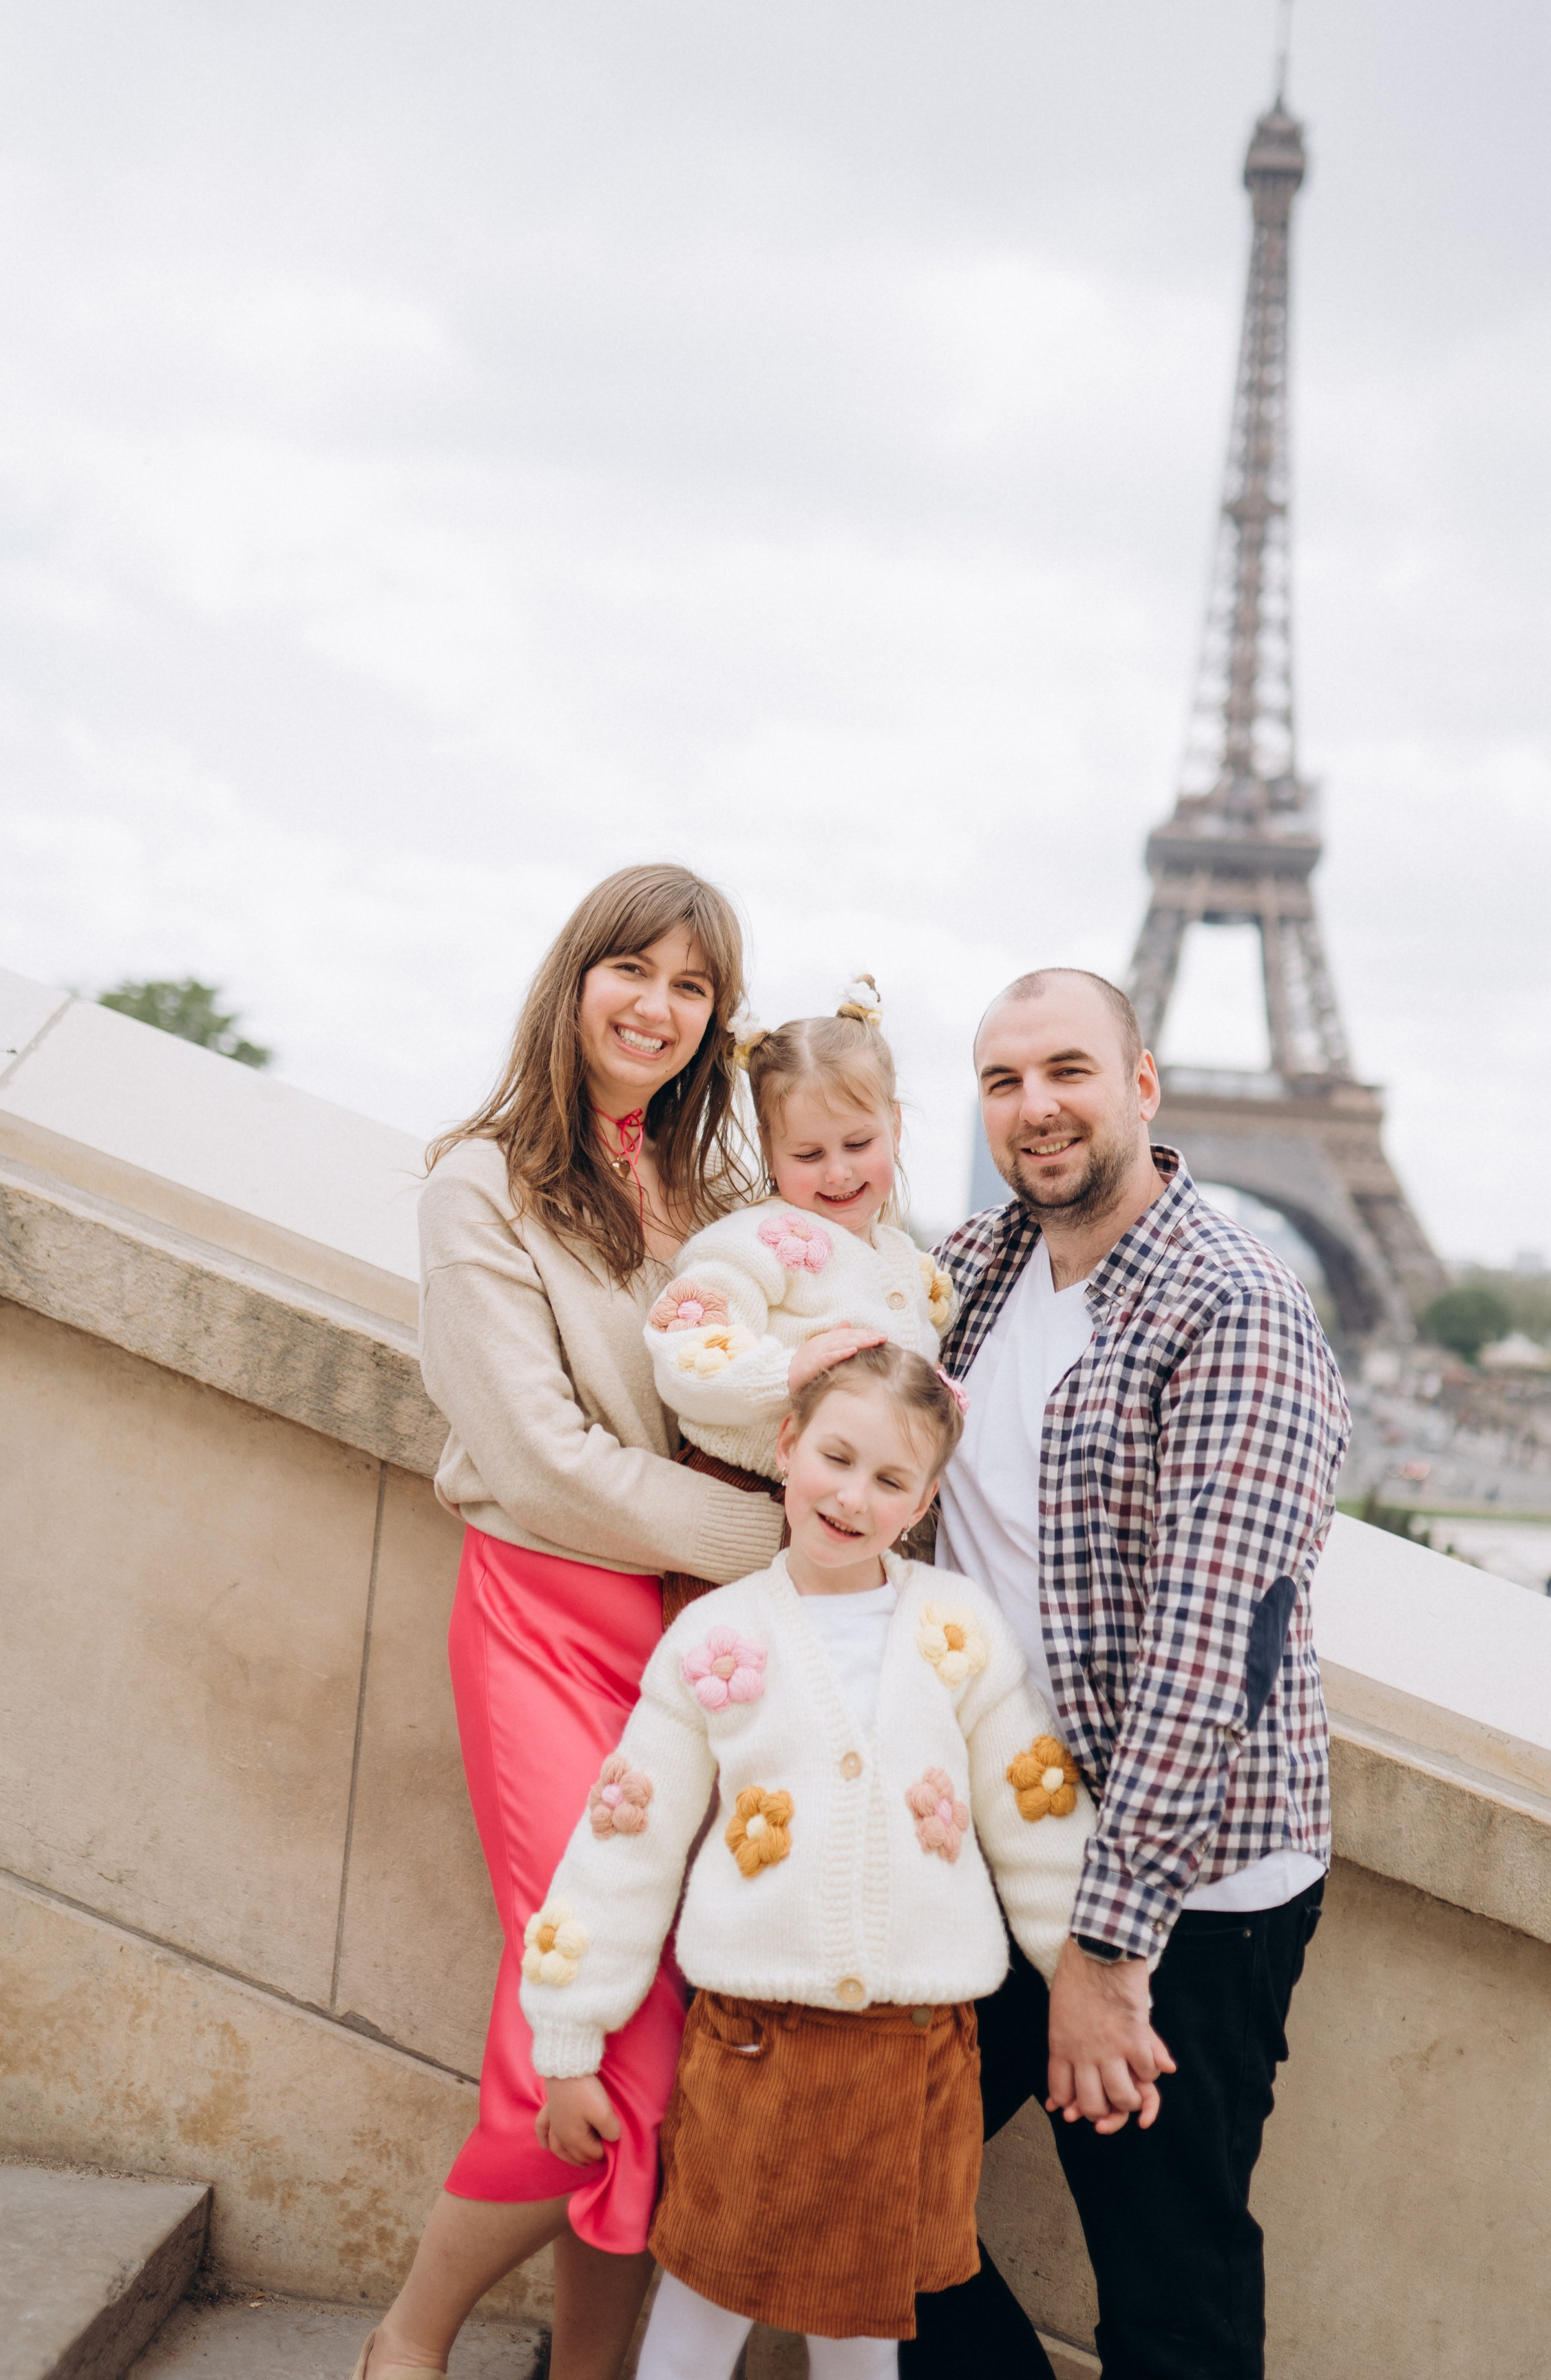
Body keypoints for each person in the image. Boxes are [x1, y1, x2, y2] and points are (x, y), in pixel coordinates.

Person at [351, 866, 789, 2380]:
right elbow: (540, 1458)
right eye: (633, 971)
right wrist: (770, 1539)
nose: (656, 1008)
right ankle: (407, 2339)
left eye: (692, 988)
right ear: (573, 978)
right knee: (605, 2026)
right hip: (543, 1626)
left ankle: (589, 2372)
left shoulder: (722, 1210)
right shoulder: (475, 1185)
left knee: (650, 2029)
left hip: (692, 1658)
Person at [905, 968, 1349, 2380]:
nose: (1033, 1108)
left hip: (1184, 1897)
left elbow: (1206, 1656)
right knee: (867, 2188)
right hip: (995, 1845)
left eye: (1066, 1071)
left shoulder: (1236, 1308)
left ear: (1140, 1086)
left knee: (1167, 2292)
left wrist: (1106, 1955)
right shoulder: (972, 1273)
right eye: (999, 1081)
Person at [522, 1341, 1099, 2380]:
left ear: (924, 1502)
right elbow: (629, 1837)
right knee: (704, 2302)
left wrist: (1085, 1980)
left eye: (890, 1480)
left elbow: (1037, 1814)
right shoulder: (718, 1638)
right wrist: (568, 2037)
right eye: (836, 1458)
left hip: (912, 2048)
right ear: (787, 1447)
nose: (852, 1496)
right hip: (754, 2043)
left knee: (863, 2324)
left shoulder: (957, 1629)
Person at [642, 977, 956, 1622]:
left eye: (859, 1145)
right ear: (770, 1150)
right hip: (750, 1500)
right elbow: (685, 1344)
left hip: (861, 1523)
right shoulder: (749, 1242)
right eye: (808, 1154)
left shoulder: (905, 1260)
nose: (838, 1172)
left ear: (894, 1125)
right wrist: (784, 1372)